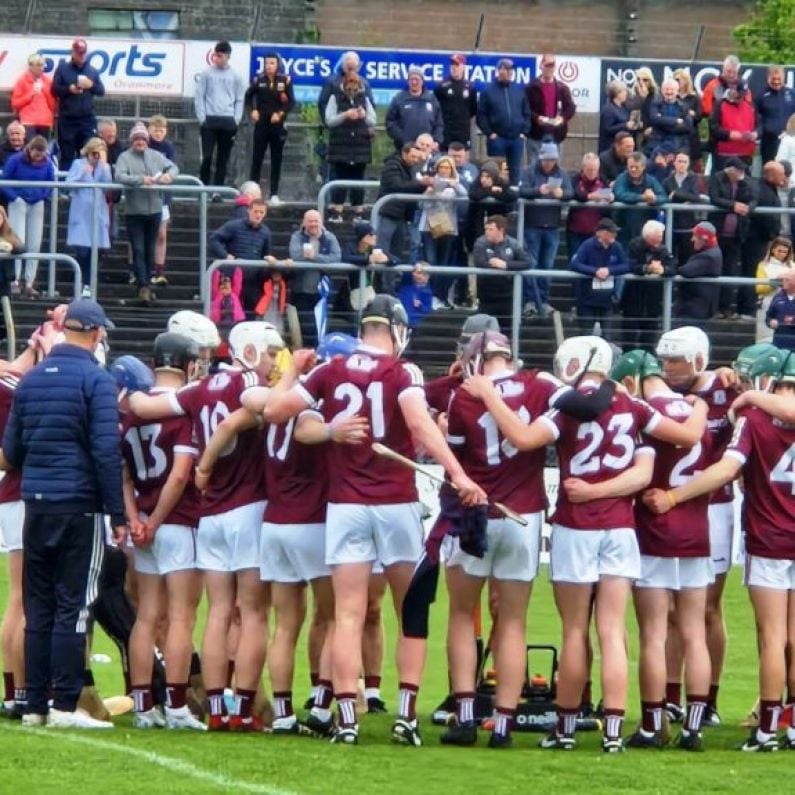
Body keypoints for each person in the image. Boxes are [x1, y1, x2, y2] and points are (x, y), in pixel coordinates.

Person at [463, 334, 706, 753]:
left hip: (577, 527)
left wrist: (488, 394)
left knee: (575, 630)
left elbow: (521, 438)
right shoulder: (631, 404)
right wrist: (703, 403)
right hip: (620, 527)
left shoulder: (563, 408)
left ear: (572, 365)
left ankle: (567, 727)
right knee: (612, 631)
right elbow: (685, 436)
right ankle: (613, 731)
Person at [264, 294, 486, 746]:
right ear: (397, 330)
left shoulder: (331, 370)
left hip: (345, 506)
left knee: (346, 614)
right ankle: (405, 715)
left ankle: (347, 718)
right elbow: (421, 426)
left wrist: (321, 418)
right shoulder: (400, 372)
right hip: (393, 502)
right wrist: (458, 472)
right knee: (410, 612)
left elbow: (274, 412)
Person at [129, 322, 281, 732]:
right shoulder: (248, 381)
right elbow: (261, 401)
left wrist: (124, 391)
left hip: (209, 513)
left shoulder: (200, 389)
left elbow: (143, 408)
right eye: (270, 353)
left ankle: (213, 706)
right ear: (250, 352)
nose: (274, 362)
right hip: (244, 508)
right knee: (251, 613)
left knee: (214, 613)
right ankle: (242, 709)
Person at [647, 347, 795, 751]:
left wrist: (676, 497)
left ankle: (766, 728)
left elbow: (726, 469)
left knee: (772, 637)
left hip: (771, 537)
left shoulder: (755, 419)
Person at [0, 298, 123, 729]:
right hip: (78, 505)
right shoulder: (97, 380)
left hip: (35, 504)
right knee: (74, 606)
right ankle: (65, 704)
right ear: (95, 333)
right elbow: (107, 452)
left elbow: (11, 452)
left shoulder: (30, 382)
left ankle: (34, 704)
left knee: (40, 605)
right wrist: (117, 513)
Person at [610, 350, 713, 751]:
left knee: (653, 634)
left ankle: (653, 724)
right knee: (694, 634)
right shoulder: (690, 407)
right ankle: (694, 728)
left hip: (655, 529)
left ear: (631, 380)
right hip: (697, 529)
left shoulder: (642, 410)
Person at [119, 335, 206, 732]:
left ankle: (142, 706)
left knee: (146, 616)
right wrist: (154, 521)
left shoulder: (132, 411)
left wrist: (136, 517)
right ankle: (174, 705)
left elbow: (122, 475)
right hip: (176, 521)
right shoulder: (181, 409)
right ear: (188, 365)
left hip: (144, 521)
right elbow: (180, 474)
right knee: (181, 617)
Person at [654, 326, 739, 728]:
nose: (669, 368)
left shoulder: (728, 391)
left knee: (706, 608)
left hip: (715, 508)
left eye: (677, 360)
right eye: (665, 360)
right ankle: (671, 696)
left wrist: (742, 382)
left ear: (699, 360)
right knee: (669, 610)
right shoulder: (659, 393)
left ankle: (709, 699)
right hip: (670, 508)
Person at [115, 123, 178, 305]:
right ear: (132, 141)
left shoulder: (156, 156)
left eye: (143, 139)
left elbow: (173, 167)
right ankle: (142, 284)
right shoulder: (124, 157)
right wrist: (140, 180)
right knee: (138, 248)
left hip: (155, 209)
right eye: (136, 139)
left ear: (147, 141)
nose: (140, 142)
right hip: (134, 211)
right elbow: (120, 176)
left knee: (150, 248)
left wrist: (169, 176)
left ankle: (147, 283)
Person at [518, 141, 573, 317]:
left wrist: (562, 195)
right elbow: (521, 191)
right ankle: (530, 301)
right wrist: (538, 190)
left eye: (552, 160)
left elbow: (570, 193)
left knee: (547, 266)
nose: (549, 163)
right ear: (541, 158)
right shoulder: (529, 171)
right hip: (532, 225)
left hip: (552, 226)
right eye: (546, 159)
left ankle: (543, 300)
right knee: (532, 265)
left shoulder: (562, 174)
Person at [1, 136, 55, 298]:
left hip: (36, 202)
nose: (39, 157)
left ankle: (30, 281)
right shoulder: (15, 160)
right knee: (17, 240)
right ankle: (15, 280)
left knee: (34, 242)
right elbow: (4, 181)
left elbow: (51, 182)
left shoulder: (47, 162)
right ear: (30, 150)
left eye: (41, 154)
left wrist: (42, 195)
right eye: (36, 153)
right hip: (18, 201)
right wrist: (14, 197)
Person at [708, 158, 758, 320]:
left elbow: (754, 198)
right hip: (718, 234)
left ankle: (726, 307)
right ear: (730, 170)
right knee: (714, 271)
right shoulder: (717, 178)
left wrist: (747, 208)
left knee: (730, 271)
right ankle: (712, 308)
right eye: (738, 170)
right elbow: (714, 198)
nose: (741, 174)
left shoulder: (746, 182)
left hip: (736, 234)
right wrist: (733, 205)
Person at [324, 71, 376, 222]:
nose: (352, 89)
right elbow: (330, 120)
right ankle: (336, 211)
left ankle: (358, 211)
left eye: (355, 85)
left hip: (360, 145)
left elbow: (373, 121)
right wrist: (346, 115)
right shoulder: (335, 97)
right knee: (340, 177)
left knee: (358, 179)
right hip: (341, 145)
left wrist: (363, 115)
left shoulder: (364, 99)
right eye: (349, 84)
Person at [417, 155, 467, 307]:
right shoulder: (430, 181)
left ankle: (440, 296)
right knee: (431, 261)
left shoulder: (456, 181)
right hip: (429, 225)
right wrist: (429, 192)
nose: (444, 170)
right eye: (441, 167)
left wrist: (455, 185)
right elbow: (420, 205)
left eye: (447, 167)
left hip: (448, 227)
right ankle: (429, 294)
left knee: (444, 263)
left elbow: (465, 196)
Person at [246, 52, 295, 205]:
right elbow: (249, 96)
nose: (269, 66)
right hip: (261, 124)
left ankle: (274, 193)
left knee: (276, 159)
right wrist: (253, 110)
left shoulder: (285, 81)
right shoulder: (259, 80)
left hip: (277, 125)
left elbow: (291, 102)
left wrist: (280, 114)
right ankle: (252, 192)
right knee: (257, 158)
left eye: (272, 63)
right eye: (267, 63)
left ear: (277, 65)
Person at [195, 41, 245, 190]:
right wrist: (202, 118)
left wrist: (235, 119)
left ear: (227, 56)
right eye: (215, 55)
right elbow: (199, 96)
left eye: (220, 55)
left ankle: (217, 191)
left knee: (222, 159)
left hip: (228, 121)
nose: (217, 58)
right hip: (209, 120)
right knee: (207, 157)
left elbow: (239, 99)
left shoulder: (236, 76)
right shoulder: (206, 73)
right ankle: (203, 187)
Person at [287, 209, 342, 347]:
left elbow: (336, 258)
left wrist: (313, 257)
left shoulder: (330, 237)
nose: (313, 224)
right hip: (301, 290)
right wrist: (314, 259)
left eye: (316, 221)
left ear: (321, 222)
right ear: (304, 223)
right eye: (310, 221)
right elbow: (295, 256)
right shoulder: (297, 237)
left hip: (322, 291)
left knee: (319, 327)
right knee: (306, 328)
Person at [209, 198, 273, 311]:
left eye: (261, 212)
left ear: (265, 214)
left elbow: (266, 254)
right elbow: (214, 239)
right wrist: (225, 255)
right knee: (231, 311)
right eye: (255, 211)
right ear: (249, 211)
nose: (258, 215)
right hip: (233, 276)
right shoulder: (234, 226)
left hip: (254, 280)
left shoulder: (266, 232)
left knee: (250, 313)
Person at [621, 219, 676, 349]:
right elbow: (629, 265)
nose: (660, 239)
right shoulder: (634, 245)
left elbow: (673, 267)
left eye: (661, 236)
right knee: (629, 339)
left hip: (653, 301)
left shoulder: (663, 250)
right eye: (657, 237)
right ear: (648, 236)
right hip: (633, 298)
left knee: (649, 340)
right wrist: (646, 268)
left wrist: (663, 270)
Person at [51, 39, 105, 169]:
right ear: (73, 52)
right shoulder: (63, 69)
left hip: (87, 119)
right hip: (68, 119)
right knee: (67, 155)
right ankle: (66, 188)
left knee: (89, 154)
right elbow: (54, 89)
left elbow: (101, 91)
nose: (81, 55)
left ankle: (87, 186)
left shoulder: (92, 71)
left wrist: (91, 85)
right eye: (78, 52)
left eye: (83, 53)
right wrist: (68, 89)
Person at [569, 218, 628, 336]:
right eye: (610, 232)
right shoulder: (588, 245)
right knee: (586, 335)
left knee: (607, 335)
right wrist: (595, 271)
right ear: (601, 233)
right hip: (587, 298)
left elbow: (626, 265)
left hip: (607, 299)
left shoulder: (617, 246)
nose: (614, 235)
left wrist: (609, 270)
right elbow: (575, 264)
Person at [65, 137, 112, 288]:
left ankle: (88, 284)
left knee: (95, 250)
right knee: (82, 250)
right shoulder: (78, 164)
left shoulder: (105, 167)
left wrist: (104, 166)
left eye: (99, 153)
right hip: (81, 212)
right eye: (94, 153)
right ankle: (82, 281)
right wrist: (83, 173)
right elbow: (68, 184)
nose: (96, 156)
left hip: (98, 212)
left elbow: (108, 186)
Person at [477, 59, 531, 185]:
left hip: (516, 139)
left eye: (511, 70)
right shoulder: (488, 91)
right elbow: (481, 115)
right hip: (497, 139)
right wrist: (490, 133)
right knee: (496, 173)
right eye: (505, 69)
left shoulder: (519, 90)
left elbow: (527, 112)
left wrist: (524, 132)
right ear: (499, 71)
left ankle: (513, 201)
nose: (508, 72)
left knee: (514, 173)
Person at [376, 143, 430, 262]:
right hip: (389, 213)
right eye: (413, 157)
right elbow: (397, 186)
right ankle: (380, 279)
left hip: (401, 214)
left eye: (418, 158)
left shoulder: (408, 168)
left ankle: (393, 279)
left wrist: (423, 186)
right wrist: (420, 184)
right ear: (404, 153)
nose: (415, 160)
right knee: (383, 251)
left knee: (397, 253)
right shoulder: (392, 166)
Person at [472, 214, 529, 320]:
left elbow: (527, 262)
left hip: (507, 293)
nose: (487, 232)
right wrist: (493, 264)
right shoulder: (480, 242)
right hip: (486, 294)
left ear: (501, 230)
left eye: (491, 229)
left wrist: (505, 264)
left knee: (508, 327)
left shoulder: (513, 243)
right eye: (486, 229)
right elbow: (479, 262)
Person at [525, 53, 576, 165]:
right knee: (533, 168)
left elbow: (571, 108)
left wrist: (562, 118)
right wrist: (537, 118)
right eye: (547, 65)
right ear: (541, 66)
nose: (549, 68)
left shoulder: (562, 88)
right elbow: (525, 109)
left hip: (556, 134)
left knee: (555, 169)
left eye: (552, 65)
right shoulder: (530, 87)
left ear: (555, 67)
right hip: (536, 134)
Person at [147, 115, 177, 287]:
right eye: (155, 130)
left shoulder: (168, 147)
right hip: (145, 194)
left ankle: (159, 271)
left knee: (161, 234)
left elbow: (171, 167)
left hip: (162, 196)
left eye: (161, 130)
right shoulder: (144, 143)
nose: (158, 133)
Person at [612, 151, 666, 243]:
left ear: (643, 167)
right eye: (630, 167)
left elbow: (664, 197)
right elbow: (620, 194)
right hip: (624, 225)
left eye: (636, 167)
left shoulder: (651, 180)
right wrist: (642, 197)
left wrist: (654, 199)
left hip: (645, 224)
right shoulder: (621, 178)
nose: (633, 170)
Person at [674, 222, 723, 322]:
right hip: (695, 306)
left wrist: (666, 268)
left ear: (704, 239)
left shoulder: (708, 256)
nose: (692, 239)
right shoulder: (710, 252)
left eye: (695, 236)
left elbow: (686, 271)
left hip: (696, 308)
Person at [385, 67, 443, 151]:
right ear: (408, 81)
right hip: (405, 148)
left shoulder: (432, 99)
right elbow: (390, 122)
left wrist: (436, 141)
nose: (414, 82)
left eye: (417, 79)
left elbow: (439, 124)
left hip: (426, 149)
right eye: (411, 79)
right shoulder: (399, 98)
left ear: (422, 81)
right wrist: (403, 138)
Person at [663, 151, 705, 263]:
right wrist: (685, 198)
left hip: (688, 226)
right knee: (669, 256)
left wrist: (676, 194)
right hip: (671, 224)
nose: (682, 164)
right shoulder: (667, 181)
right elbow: (665, 199)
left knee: (686, 257)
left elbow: (696, 198)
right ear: (674, 163)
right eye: (679, 161)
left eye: (685, 162)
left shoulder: (693, 178)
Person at [710, 86, 758, 173]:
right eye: (738, 94)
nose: (740, 97)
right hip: (725, 154)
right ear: (731, 90)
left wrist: (755, 134)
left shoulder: (750, 105)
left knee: (745, 183)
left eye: (742, 94)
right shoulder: (720, 104)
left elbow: (759, 125)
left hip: (745, 154)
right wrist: (729, 134)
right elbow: (713, 128)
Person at [434, 54, 477, 150]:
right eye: (452, 64)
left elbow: (473, 109)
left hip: (463, 131)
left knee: (462, 158)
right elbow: (436, 108)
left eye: (457, 65)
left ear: (463, 67)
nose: (454, 68)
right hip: (446, 131)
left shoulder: (470, 87)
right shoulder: (441, 86)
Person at [755, 236, 794, 341]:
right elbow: (759, 288)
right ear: (773, 250)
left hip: (789, 305)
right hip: (767, 303)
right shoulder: (763, 265)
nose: (782, 254)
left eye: (785, 251)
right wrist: (775, 282)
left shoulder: (793, 266)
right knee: (764, 338)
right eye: (779, 251)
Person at [755, 66, 795, 164]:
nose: (776, 82)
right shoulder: (761, 95)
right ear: (768, 77)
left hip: (789, 140)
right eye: (774, 79)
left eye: (779, 79)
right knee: (770, 172)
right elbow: (755, 118)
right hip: (769, 143)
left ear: (783, 77)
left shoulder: (791, 93)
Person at [11, 54, 56, 138]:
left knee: (44, 149)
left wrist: (44, 90)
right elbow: (15, 104)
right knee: (30, 148)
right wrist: (31, 94)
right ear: (31, 66)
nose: (41, 68)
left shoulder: (48, 81)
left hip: (45, 122)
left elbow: (53, 105)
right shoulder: (22, 81)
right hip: (28, 123)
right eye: (38, 65)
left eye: (42, 65)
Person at [646, 79, 692, 156]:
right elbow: (654, 119)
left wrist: (662, 123)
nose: (669, 91)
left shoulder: (684, 106)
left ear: (677, 91)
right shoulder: (656, 104)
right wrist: (676, 121)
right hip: (658, 145)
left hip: (677, 146)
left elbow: (688, 126)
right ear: (662, 91)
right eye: (666, 89)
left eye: (672, 89)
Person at [598, 80, 638, 154]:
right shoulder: (608, 109)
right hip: (610, 148)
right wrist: (625, 126)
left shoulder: (624, 108)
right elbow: (607, 129)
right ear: (617, 93)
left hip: (623, 148)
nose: (626, 94)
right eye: (624, 91)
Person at [672, 69, 703, 165]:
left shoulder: (694, 98)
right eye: (674, 80)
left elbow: (699, 116)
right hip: (675, 134)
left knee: (693, 165)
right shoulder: (672, 96)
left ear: (685, 81)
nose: (676, 82)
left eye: (678, 79)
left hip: (691, 136)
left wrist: (691, 115)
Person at [765, 270, 795, 350]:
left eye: (787, 280)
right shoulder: (778, 297)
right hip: (780, 341)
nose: (783, 282)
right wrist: (770, 322)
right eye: (783, 280)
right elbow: (769, 316)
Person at [398, 263, 433, 327]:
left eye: (419, 273)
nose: (414, 274)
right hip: (400, 320)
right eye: (414, 272)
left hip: (413, 323)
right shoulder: (407, 283)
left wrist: (420, 305)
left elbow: (428, 310)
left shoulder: (427, 292)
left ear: (427, 276)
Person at [0, 207, 25, 296]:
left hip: (4, 279)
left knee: (5, 306)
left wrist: (11, 248)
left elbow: (21, 248)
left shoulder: (9, 234)